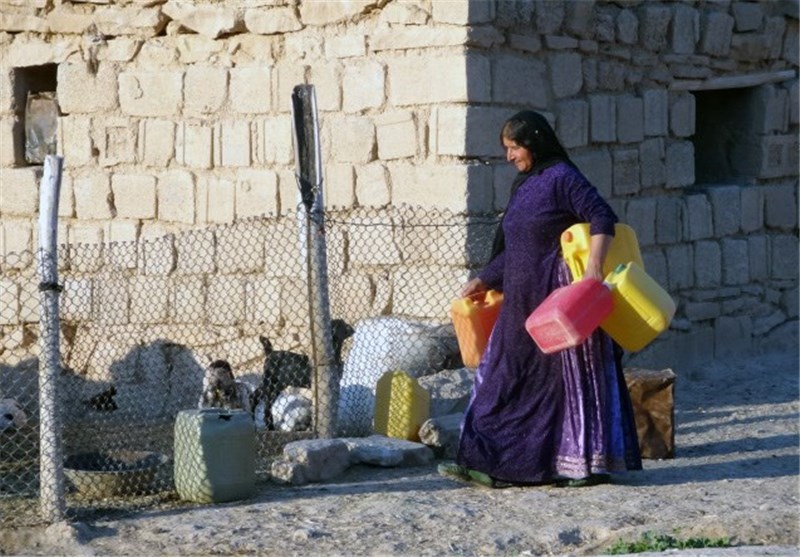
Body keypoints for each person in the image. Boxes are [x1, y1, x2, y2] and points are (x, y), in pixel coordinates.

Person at [440, 110, 642, 488]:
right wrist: (482, 279)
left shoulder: (562, 177)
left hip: (553, 302)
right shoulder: (524, 186)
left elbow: (602, 216)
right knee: (499, 377)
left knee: (557, 385)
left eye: (514, 147)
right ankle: (483, 459)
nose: (509, 156)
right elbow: (515, 249)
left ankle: (570, 468)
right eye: (506, 149)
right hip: (519, 300)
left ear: (534, 142)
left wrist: (593, 269)